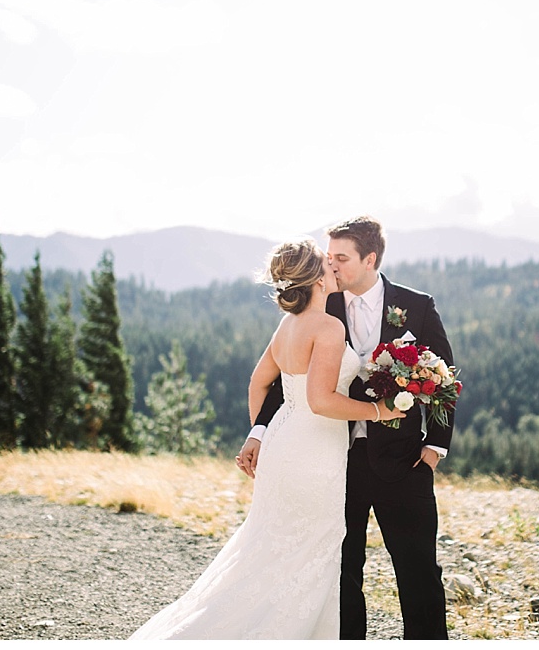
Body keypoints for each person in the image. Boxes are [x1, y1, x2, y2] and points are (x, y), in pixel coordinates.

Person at [130, 238, 404, 640]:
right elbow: (322, 400)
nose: (333, 267)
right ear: (315, 278)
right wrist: (380, 412)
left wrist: (260, 431)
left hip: (283, 445)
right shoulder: (328, 326)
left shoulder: (287, 326)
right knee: (312, 547)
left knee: (271, 547)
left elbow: (258, 383)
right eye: (326, 264)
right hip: (314, 456)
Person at [239, 216, 457, 640]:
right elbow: (285, 381)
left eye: (341, 258)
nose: (332, 266)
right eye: (329, 258)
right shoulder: (320, 305)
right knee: (340, 572)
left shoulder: (416, 306)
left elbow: (444, 378)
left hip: (405, 458)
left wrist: (435, 449)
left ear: (369, 258)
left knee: (418, 572)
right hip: (335, 461)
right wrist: (259, 431)